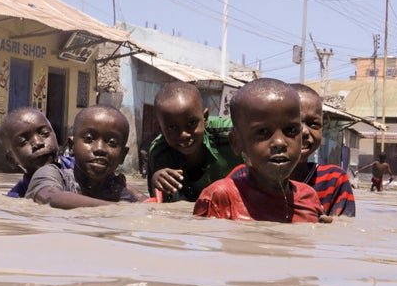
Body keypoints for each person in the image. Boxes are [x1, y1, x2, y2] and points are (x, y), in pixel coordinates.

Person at [193, 78, 328, 223]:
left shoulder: (308, 198)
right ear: (236, 142)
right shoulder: (221, 197)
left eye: (291, 130)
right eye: (263, 131)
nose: (280, 143)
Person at [26, 105, 146, 209]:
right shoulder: (53, 175)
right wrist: (117, 209)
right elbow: (48, 197)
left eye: (112, 143)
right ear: (72, 146)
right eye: (89, 139)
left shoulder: (122, 192)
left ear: (122, 156)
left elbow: (150, 207)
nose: (100, 148)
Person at [147, 81, 242, 202]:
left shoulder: (232, 135)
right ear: (160, 129)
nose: (184, 134)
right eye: (172, 128)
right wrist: (158, 181)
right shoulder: (159, 152)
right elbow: (160, 207)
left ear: (205, 118)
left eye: (191, 123)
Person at [288, 84, 356, 216]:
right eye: (293, 123)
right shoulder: (246, 179)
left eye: (314, 124)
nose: (305, 131)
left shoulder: (333, 180)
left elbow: (343, 229)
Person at [0, 107, 74, 198]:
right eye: (23, 141)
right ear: (12, 160)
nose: (38, 143)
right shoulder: (18, 197)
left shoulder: (79, 168)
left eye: (44, 133)